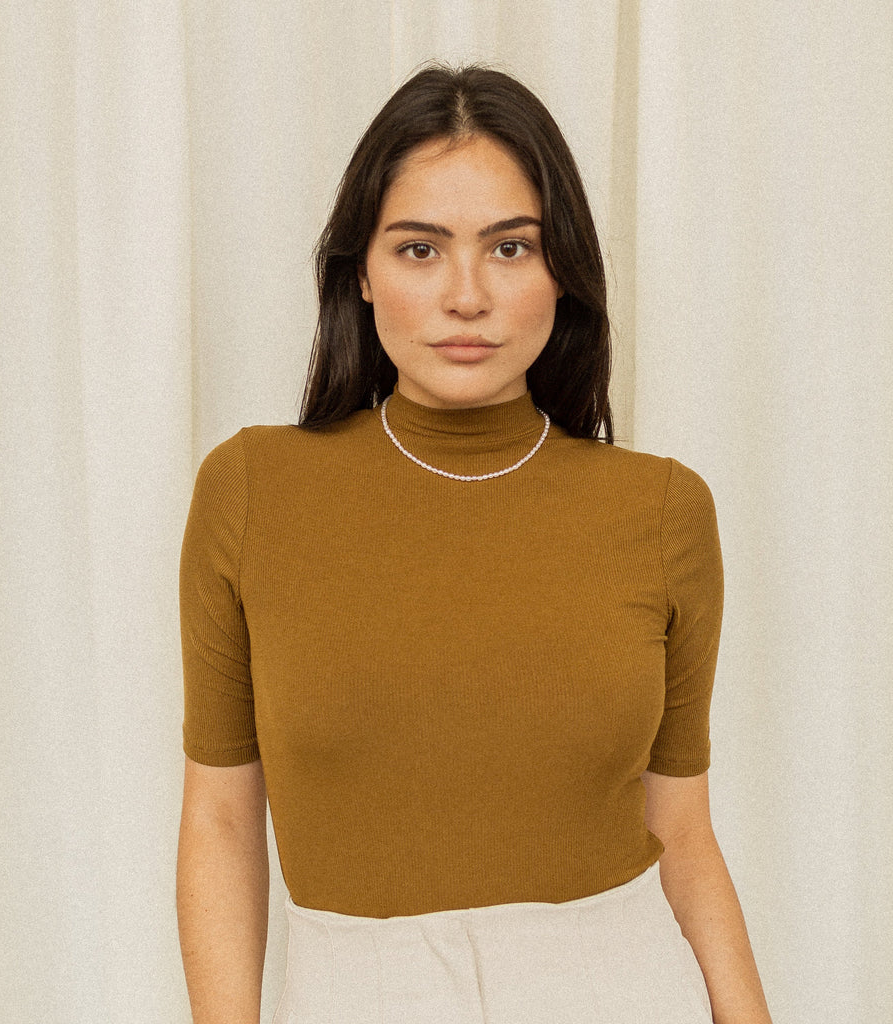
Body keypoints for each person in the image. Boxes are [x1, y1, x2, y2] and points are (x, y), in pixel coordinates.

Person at [176, 63, 772, 1024]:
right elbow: (219, 814)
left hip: (619, 987)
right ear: (360, 272)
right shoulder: (254, 491)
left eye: (509, 247)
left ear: (561, 271)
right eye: (420, 249)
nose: (466, 295)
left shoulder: (661, 510)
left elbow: (684, 831)